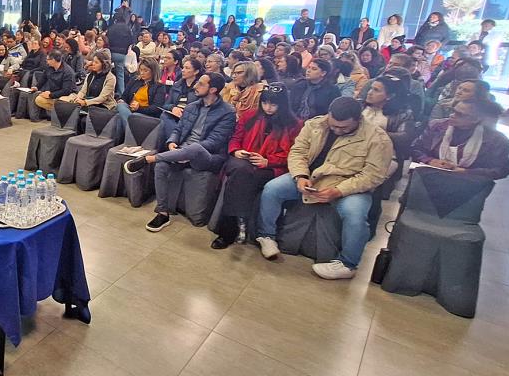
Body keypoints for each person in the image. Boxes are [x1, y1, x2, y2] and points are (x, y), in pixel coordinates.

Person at [256, 97, 393, 279]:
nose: (336, 130)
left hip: (348, 186)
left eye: (343, 128)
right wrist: (300, 176)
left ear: (358, 120)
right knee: (272, 189)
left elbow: (373, 175)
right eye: (333, 124)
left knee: (355, 215)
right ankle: (267, 236)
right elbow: (298, 152)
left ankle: (348, 263)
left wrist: (339, 191)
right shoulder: (315, 125)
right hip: (310, 178)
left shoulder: (377, 139)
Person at [124, 73, 235, 232]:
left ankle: (148, 159)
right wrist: (172, 142)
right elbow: (178, 129)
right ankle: (162, 212)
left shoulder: (227, 112)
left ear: (213, 89)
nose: (196, 86)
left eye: (201, 84)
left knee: (195, 148)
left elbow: (215, 142)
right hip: (181, 150)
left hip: (208, 156)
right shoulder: (192, 106)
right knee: (161, 166)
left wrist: (186, 151)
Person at [211, 83, 302, 249]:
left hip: (270, 166)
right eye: (265, 103)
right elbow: (235, 138)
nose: (268, 107)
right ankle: (239, 222)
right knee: (241, 170)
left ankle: (230, 228)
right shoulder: (250, 116)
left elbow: (293, 153)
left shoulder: (294, 124)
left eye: (273, 104)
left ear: (282, 105)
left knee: (243, 177)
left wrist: (268, 161)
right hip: (243, 158)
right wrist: (236, 150)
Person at [411, 99, 509, 179]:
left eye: (459, 114)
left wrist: (466, 172)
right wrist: (430, 160)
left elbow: (501, 170)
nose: (452, 115)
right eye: (453, 111)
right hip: (428, 179)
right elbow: (416, 148)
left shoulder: (496, 140)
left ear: (476, 119)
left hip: (468, 188)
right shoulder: (437, 126)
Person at [117, 57, 168, 121]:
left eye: (145, 70)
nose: (142, 73)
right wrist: (122, 100)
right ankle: (131, 126)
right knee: (121, 107)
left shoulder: (159, 86)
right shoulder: (135, 80)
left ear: (153, 71)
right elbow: (124, 96)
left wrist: (139, 108)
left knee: (123, 118)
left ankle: (130, 125)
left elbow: (156, 108)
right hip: (130, 109)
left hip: (146, 114)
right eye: (140, 70)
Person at [106, 14, 133, 96]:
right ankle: (121, 94)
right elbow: (131, 40)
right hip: (122, 54)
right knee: (120, 75)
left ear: (115, 20)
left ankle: (107, 92)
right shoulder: (127, 29)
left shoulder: (112, 28)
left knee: (107, 73)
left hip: (111, 52)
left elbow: (107, 39)